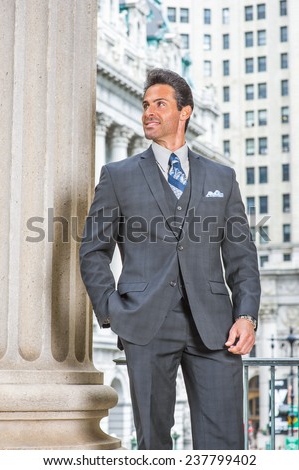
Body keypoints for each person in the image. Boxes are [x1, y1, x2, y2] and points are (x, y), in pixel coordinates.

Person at [79, 68, 261, 450]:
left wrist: (246, 315)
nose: (149, 112)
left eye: (160, 104)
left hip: (215, 328)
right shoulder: (118, 175)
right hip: (144, 323)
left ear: (185, 111)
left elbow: (242, 255)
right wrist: (112, 310)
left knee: (225, 443)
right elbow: (93, 250)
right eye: (146, 105)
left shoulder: (221, 178)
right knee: (153, 444)